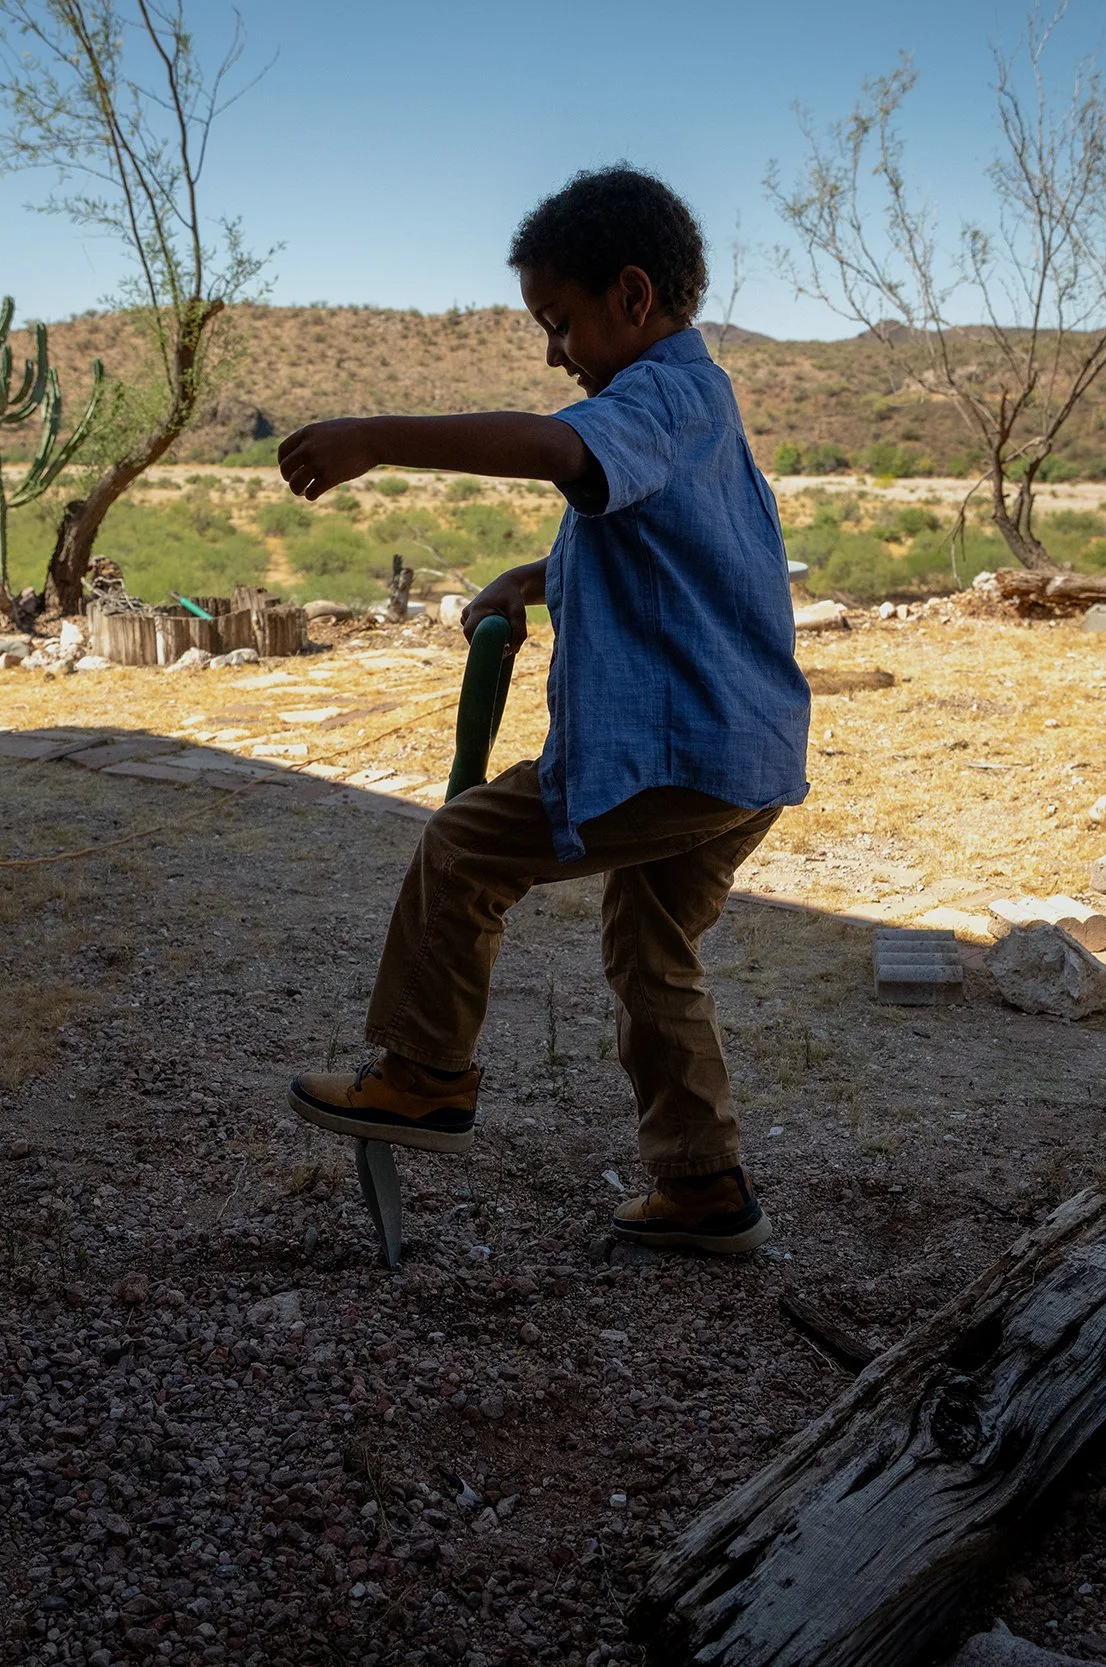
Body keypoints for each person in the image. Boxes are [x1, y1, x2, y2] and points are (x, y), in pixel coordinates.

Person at [275, 166, 810, 1254]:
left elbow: (558, 447)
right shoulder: (699, 405)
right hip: (747, 751)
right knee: (651, 953)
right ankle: (704, 1185)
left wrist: (377, 434)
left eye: (558, 323)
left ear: (632, 295)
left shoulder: (654, 398)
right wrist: (530, 580)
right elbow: (660, 552)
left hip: (684, 753)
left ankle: (424, 1073)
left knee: (466, 845)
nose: (552, 351)